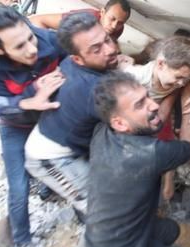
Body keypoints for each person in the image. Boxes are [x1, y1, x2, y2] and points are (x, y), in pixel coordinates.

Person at [0, 5, 67, 247]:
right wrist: (27, 101)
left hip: (52, 120)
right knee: (19, 188)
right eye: (20, 46)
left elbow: (74, 59)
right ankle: (23, 243)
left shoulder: (48, 40)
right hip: (16, 128)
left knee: (64, 167)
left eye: (30, 38)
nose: (32, 49)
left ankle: (55, 191)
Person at [85, 71, 190, 247]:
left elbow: (153, 120)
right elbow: (189, 145)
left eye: (147, 96)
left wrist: (173, 91)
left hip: (99, 238)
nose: (153, 104)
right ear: (120, 123)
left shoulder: (102, 132)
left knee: (171, 231)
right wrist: (189, 96)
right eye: (140, 104)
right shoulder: (150, 154)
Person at [25, 12, 119, 218]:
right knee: (99, 207)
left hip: (62, 139)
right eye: (97, 49)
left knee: (90, 194)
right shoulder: (94, 89)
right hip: (49, 158)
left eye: (107, 40)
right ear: (78, 58)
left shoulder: (71, 62)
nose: (111, 49)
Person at [121, 33, 190, 200]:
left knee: (167, 137)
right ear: (161, 64)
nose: (182, 83)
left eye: (186, 79)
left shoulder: (177, 78)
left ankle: (168, 177)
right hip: (144, 109)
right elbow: (114, 84)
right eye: (179, 78)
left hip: (160, 103)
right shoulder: (138, 76)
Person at [29, 0, 131, 41]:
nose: (114, 26)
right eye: (112, 19)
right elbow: (39, 20)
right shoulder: (84, 18)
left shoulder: (119, 29)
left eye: (120, 22)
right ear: (102, 12)